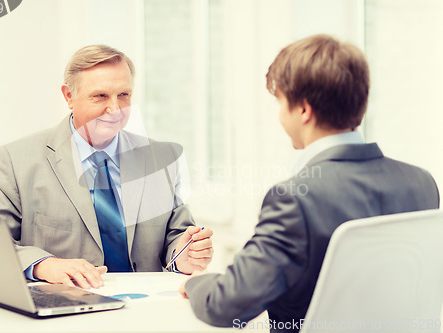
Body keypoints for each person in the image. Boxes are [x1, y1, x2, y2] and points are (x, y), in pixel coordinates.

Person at [179, 34, 439, 332]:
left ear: (303, 110)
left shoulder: (294, 199)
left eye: (281, 103)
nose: (279, 117)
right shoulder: (421, 183)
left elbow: (226, 306)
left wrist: (198, 282)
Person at [0, 45, 213, 289]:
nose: (114, 109)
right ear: (69, 96)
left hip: (144, 308)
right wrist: (44, 265)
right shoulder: (18, 159)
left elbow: (177, 236)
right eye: (100, 96)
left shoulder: (159, 159)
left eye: (124, 95)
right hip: (65, 310)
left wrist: (184, 255)